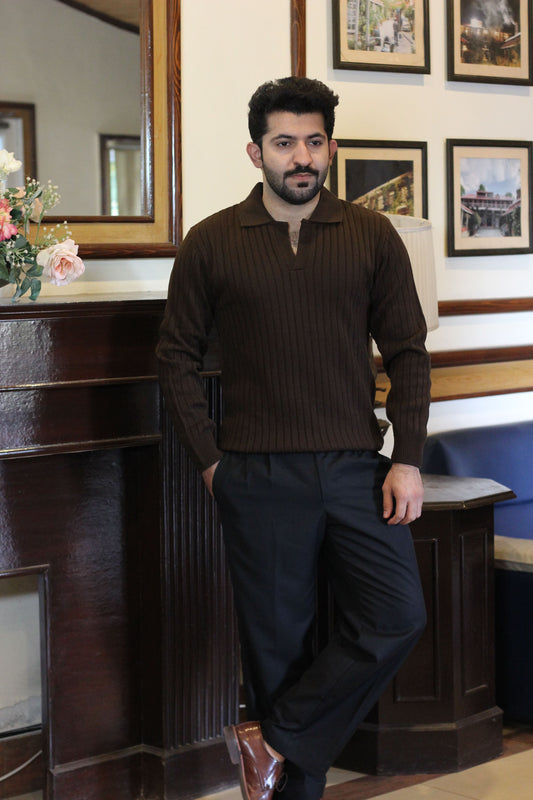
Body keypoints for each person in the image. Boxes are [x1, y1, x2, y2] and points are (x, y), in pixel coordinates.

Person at [157, 76, 431, 800]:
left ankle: (271, 738)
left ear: (330, 148)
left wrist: (405, 459)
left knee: (397, 613)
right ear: (256, 152)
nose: (300, 156)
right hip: (257, 475)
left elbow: (407, 350)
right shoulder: (212, 241)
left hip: (353, 467)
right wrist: (213, 463)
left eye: (313, 141)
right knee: (277, 655)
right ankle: (284, 770)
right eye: (284, 143)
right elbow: (173, 359)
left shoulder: (372, 234)